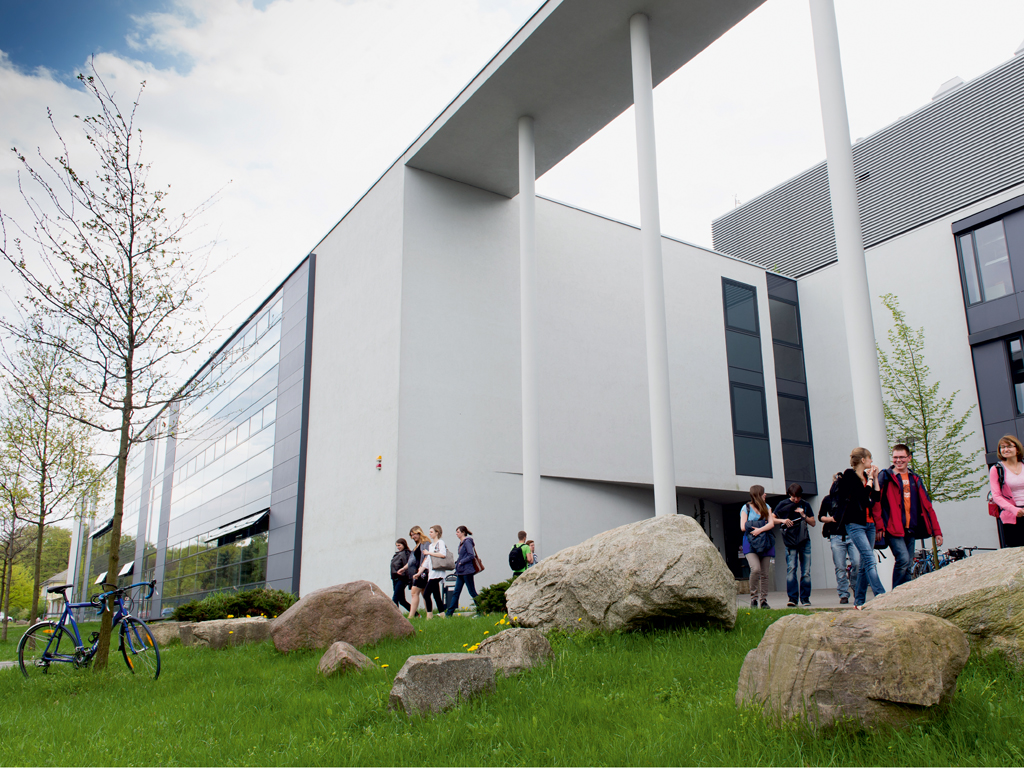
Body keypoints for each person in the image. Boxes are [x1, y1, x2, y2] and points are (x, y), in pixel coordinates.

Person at [878, 443, 943, 588]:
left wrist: (937, 531)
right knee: (903, 559)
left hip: (910, 527)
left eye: (902, 457)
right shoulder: (886, 476)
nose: (898, 460)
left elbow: (927, 506)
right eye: (895, 457)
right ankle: (896, 592)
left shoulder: (915, 479)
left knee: (908, 564)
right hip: (893, 527)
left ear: (909, 458)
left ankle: (904, 592)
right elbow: (876, 503)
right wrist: (879, 526)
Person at [833, 447, 885, 609]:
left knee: (863, 564)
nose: (871, 461)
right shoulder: (849, 476)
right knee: (869, 558)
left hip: (869, 524)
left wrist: (875, 479)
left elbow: (875, 498)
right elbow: (862, 497)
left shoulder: (866, 477)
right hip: (855, 524)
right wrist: (869, 480)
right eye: (870, 458)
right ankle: (881, 595)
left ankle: (859, 601)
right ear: (863, 460)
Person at [819, 473, 859, 605]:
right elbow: (821, 517)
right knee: (840, 566)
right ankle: (843, 593)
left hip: (851, 534)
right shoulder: (828, 499)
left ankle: (856, 587)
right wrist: (831, 519)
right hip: (836, 535)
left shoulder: (850, 498)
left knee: (857, 563)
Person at [774, 483, 815, 607]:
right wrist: (783, 520)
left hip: (804, 540)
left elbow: (813, 522)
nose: (796, 499)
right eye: (793, 497)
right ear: (789, 495)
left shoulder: (805, 504)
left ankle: (805, 598)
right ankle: (792, 598)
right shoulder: (783, 504)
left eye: (798, 497)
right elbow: (771, 519)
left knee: (806, 571)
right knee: (791, 568)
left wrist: (803, 515)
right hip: (790, 541)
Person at [740, 484, 776, 609]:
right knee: (755, 569)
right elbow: (743, 526)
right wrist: (761, 526)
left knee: (765, 573)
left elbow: (771, 524)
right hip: (750, 542)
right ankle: (753, 598)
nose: (765, 494)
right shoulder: (746, 508)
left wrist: (759, 529)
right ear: (758, 495)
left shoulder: (767, 507)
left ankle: (764, 600)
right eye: (763, 493)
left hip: (765, 541)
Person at [990, 434, 1024, 548]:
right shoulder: (997, 469)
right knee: (1017, 551)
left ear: (1017, 449)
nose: (1005, 449)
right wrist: (1014, 510)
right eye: (1002, 447)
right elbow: (996, 496)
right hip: (1011, 516)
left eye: (1009, 446)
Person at [415, 524, 448, 619]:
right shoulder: (430, 546)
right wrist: (419, 573)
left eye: (431, 532)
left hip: (438, 573)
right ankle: (442, 614)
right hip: (432, 574)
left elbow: (443, 554)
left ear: (437, 533)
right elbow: (427, 561)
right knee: (436, 595)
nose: (429, 533)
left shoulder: (440, 542)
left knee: (426, 594)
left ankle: (429, 615)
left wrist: (428, 553)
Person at [445, 525, 479, 616]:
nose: (456, 534)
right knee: (456, 592)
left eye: (458, 532)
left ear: (463, 533)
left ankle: (481, 609)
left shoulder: (467, 542)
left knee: (472, 592)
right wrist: (458, 563)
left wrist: (461, 562)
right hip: (461, 572)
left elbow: (471, 555)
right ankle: (449, 613)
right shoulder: (461, 543)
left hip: (467, 571)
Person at [404, 526, 430, 619]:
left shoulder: (425, 543)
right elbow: (412, 561)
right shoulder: (416, 546)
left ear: (419, 533)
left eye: (414, 534)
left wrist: (422, 568)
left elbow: (427, 557)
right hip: (419, 571)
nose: (413, 537)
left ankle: (411, 616)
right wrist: (404, 568)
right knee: (424, 594)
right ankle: (429, 615)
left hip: (423, 571)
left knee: (414, 592)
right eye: (411, 535)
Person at [390, 538, 412, 611]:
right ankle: (416, 614)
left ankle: (395, 614)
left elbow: (408, 566)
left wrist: (408, 579)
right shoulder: (398, 554)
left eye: (399, 545)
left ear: (403, 544)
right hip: (395, 578)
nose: (398, 547)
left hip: (402, 579)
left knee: (395, 597)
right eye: (396, 546)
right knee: (402, 600)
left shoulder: (406, 553)